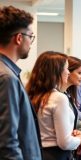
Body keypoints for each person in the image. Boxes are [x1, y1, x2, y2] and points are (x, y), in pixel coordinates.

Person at [26, 51, 81, 160]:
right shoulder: (58, 98)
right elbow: (65, 143)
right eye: (66, 68)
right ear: (56, 72)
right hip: (56, 154)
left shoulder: (33, 94)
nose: (68, 72)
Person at [0, 5, 42, 160]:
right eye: (30, 37)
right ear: (19, 38)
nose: (31, 42)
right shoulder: (7, 78)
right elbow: (7, 141)